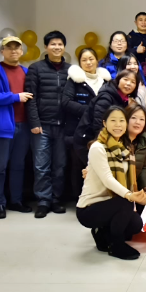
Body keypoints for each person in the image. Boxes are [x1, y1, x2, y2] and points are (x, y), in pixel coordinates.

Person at [76, 106, 146, 260]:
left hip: (111, 203)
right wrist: (129, 196)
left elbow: (129, 178)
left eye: (121, 121)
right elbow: (108, 179)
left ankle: (102, 232)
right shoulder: (97, 147)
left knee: (135, 225)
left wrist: (137, 196)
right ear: (104, 123)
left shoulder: (125, 148)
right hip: (90, 207)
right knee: (125, 203)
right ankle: (116, 245)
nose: (118, 125)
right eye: (113, 120)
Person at [0, 36, 33, 219]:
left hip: (24, 126)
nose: (13, 51)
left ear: (21, 51)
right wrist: (15, 97)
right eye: (9, 48)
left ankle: (16, 201)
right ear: (2, 51)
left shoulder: (26, 72)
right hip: (2, 126)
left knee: (18, 166)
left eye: (16, 47)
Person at [25, 31, 71, 219]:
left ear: (64, 47)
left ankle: (56, 199)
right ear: (46, 47)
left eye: (60, 44)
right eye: (53, 44)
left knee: (60, 166)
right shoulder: (35, 68)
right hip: (42, 126)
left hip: (63, 126)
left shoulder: (71, 70)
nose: (57, 47)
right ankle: (43, 201)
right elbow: (30, 98)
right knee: (41, 166)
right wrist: (34, 122)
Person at [63, 48, 112, 197]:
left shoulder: (106, 81)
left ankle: (97, 198)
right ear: (80, 63)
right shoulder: (74, 80)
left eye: (91, 59)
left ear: (97, 60)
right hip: (79, 131)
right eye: (84, 60)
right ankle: (80, 199)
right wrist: (90, 111)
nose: (88, 62)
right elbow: (66, 102)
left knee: (100, 165)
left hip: (101, 130)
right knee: (78, 166)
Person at [73, 70, 141, 171]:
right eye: (125, 79)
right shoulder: (106, 97)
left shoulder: (124, 100)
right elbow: (98, 124)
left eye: (133, 82)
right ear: (118, 80)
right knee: (94, 173)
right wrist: (103, 146)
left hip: (103, 140)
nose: (128, 84)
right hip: (88, 140)